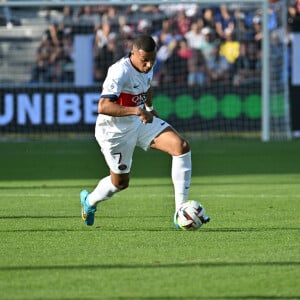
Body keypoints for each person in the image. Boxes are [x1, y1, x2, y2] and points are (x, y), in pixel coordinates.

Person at [80, 35, 210, 227]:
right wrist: (136, 110)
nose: (149, 65)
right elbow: (103, 106)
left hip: (140, 122)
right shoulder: (119, 71)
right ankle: (89, 202)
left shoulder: (146, 67)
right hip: (114, 132)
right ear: (133, 53)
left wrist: (149, 107)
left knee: (181, 146)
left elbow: (147, 87)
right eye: (145, 61)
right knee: (120, 183)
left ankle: (180, 212)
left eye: (152, 61)